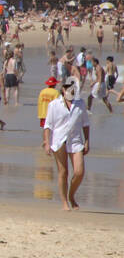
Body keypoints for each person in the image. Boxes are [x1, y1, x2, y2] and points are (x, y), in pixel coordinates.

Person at [42, 80, 89, 211]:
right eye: (70, 89)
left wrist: (87, 141)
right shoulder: (54, 104)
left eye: (74, 89)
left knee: (79, 172)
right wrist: (47, 142)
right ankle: (64, 202)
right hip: (59, 140)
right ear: (63, 89)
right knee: (63, 172)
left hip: (76, 140)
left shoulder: (80, 104)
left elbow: (85, 123)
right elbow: (48, 126)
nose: (72, 92)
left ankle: (71, 195)